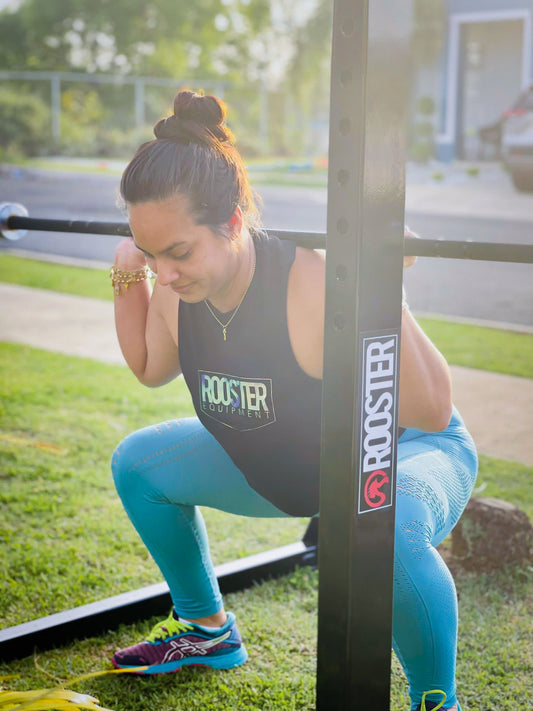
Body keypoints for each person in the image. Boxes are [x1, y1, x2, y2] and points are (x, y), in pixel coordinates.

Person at [109, 90, 477, 711]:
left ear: (231, 224)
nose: (165, 273)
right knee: (139, 465)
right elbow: (150, 368)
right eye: (150, 251)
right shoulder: (177, 287)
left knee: (381, 531)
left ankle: (435, 700)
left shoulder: (307, 284)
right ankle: (206, 631)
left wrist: (376, 287)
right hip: (290, 463)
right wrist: (129, 277)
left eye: (178, 252)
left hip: (399, 453)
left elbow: (432, 411)